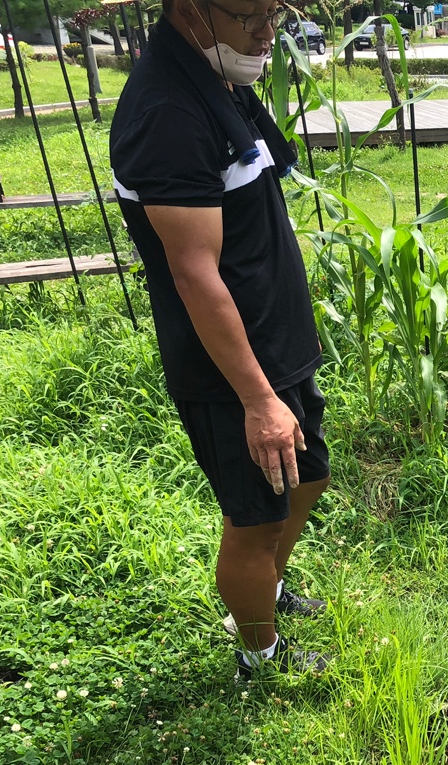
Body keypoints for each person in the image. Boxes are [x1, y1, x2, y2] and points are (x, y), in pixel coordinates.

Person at [110, 0, 330, 679]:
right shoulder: (167, 114)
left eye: (274, 14)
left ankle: (266, 590)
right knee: (254, 520)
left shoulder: (217, 77)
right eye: (248, 16)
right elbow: (194, 273)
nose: (267, 33)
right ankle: (259, 657)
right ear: (191, 9)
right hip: (232, 369)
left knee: (309, 478)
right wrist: (259, 400)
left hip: (274, 341)